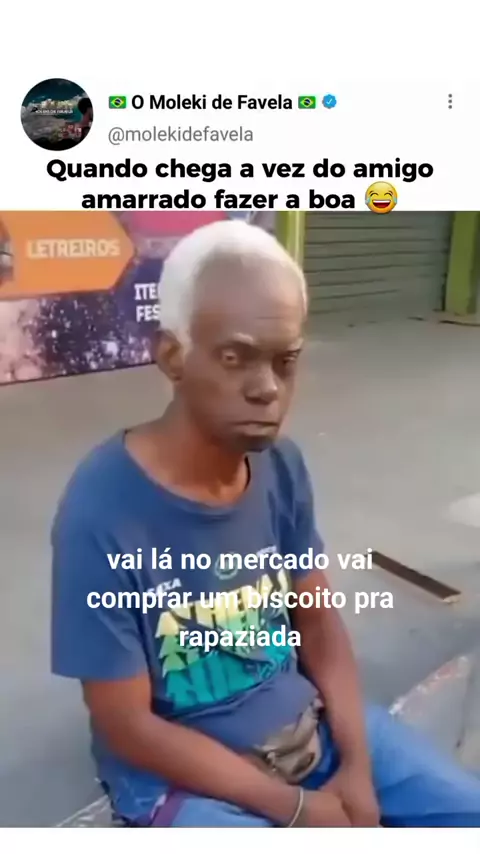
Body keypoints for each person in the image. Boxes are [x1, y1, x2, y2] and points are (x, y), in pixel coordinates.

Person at [51, 221, 480, 828]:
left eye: (286, 362)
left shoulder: (281, 467)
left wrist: (357, 764)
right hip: (185, 781)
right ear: (172, 356)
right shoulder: (102, 509)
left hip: (308, 732)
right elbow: (127, 724)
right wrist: (296, 809)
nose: (267, 389)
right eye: (235, 358)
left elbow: (319, 625)